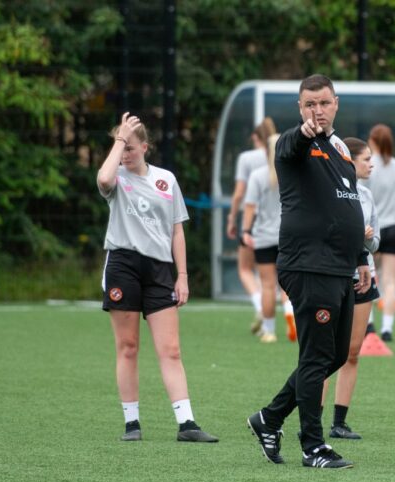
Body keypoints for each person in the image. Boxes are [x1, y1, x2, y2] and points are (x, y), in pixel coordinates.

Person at [247, 75, 370, 470]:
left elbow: (349, 205)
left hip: (340, 267)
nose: (317, 111)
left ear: (336, 103)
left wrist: (362, 259)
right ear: (300, 109)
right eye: (309, 105)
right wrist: (303, 132)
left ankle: (269, 418)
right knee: (317, 355)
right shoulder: (289, 144)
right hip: (308, 265)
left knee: (335, 354)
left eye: (323, 103)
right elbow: (294, 143)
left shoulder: (340, 148)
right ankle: (313, 447)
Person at [96, 112, 218, 443]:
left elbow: (177, 230)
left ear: (146, 147)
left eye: (132, 148)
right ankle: (132, 423)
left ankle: (187, 424)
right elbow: (103, 180)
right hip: (123, 264)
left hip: (160, 268)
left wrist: (182, 276)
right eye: (121, 148)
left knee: (171, 349)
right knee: (128, 346)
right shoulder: (116, 177)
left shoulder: (166, 179)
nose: (126, 155)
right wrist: (120, 138)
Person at [322, 137, 380, 440]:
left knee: (351, 353)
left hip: (364, 277)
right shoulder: (329, 191)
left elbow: (376, 241)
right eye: (366, 159)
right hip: (334, 276)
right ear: (349, 161)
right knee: (324, 352)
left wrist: (367, 238)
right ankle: (312, 421)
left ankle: (339, 422)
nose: (371, 164)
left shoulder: (368, 196)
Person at [241, 134, 297, 343]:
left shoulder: (258, 176)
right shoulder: (292, 173)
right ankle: (290, 312)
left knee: (267, 285)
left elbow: (250, 207)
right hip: (288, 237)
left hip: (264, 237)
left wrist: (245, 231)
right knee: (288, 285)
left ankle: (269, 330)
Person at [226, 118, 277, 336]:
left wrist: (233, 219)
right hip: (286, 231)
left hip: (258, 225)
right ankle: (290, 313)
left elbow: (240, 194)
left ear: (256, 138)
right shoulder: (287, 162)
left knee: (248, 270)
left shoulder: (248, 160)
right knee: (286, 281)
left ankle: (262, 313)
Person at [366, 124, 395, 342]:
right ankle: (387, 328)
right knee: (390, 281)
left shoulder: (368, 166)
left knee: (368, 276)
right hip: (394, 227)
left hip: (372, 228)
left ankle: (369, 325)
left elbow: (362, 198)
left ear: (372, 141)